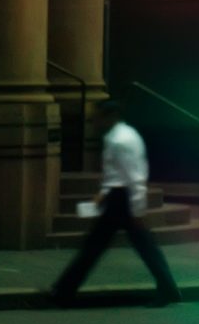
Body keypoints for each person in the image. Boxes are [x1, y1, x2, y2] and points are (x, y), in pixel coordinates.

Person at [51, 100, 181, 307]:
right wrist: (103, 194)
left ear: (108, 116)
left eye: (97, 116)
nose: (93, 121)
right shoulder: (120, 136)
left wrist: (137, 209)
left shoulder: (120, 140)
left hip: (122, 199)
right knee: (139, 246)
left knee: (95, 247)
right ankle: (168, 288)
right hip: (119, 197)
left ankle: (63, 292)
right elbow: (120, 174)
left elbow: (134, 177)